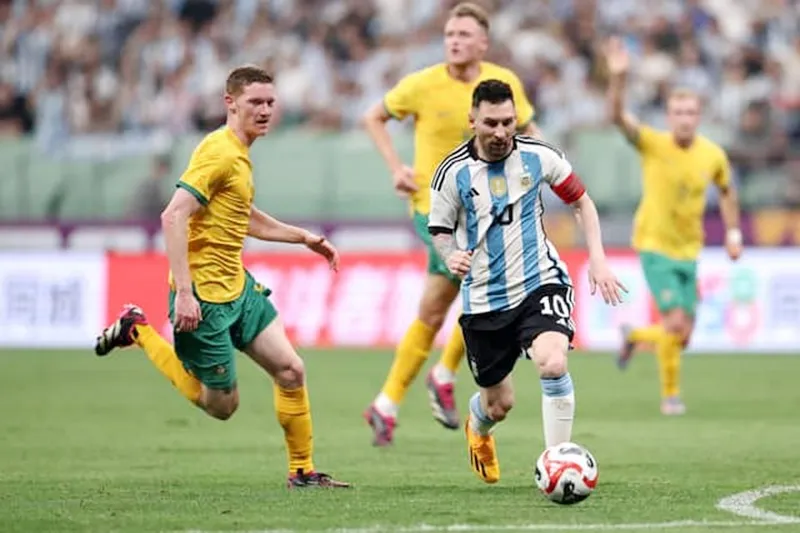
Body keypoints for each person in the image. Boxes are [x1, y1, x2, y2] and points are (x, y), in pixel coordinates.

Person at [94, 65, 350, 489]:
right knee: (222, 406)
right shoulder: (219, 153)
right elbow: (173, 214)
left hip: (238, 287)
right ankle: (138, 331)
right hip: (205, 302)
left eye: (270, 102)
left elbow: (240, 215)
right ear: (230, 103)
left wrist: (302, 237)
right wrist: (187, 294)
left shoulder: (239, 153)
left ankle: (302, 471)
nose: (265, 110)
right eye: (255, 102)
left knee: (290, 370)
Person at [428, 79, 626, 484]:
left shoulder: (540, 156)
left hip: (540, 281)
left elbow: (582, 201)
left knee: (553, 363)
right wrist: (452, 256)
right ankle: (478, 428)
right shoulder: (452, 173)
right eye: (491, 123)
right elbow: (440, 230)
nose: (501, 132)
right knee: (499, 404)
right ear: (473, 121)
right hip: (483, 299)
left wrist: (598, 259)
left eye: (507, 122)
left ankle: (558, 464)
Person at [361, 1, 540, 446]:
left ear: (483, 42)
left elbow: (528, 131)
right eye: (449, 34)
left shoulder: (503, 84)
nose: (454, 41)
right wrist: (395, 168)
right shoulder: (422, 85)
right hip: (434, 208)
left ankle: (387, 402)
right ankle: (441, 374)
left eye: (463, 34)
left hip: (485, 209)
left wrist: (546, 167)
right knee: (484, 284)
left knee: (435, 308)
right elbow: (374, 116)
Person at [605, 37, 743, 415]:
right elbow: (617, 118)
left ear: (698, 116)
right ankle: (670, 397)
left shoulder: (712, 154)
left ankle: (634, 336)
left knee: (682, 337)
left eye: (690, 112)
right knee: (675, 322)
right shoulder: (653, 143)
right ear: (669, 116)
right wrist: (618, 80)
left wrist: (733, 233)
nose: (684, 118)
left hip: (689, 249)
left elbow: (728, 191)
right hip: (654, 244)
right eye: (677, 112)